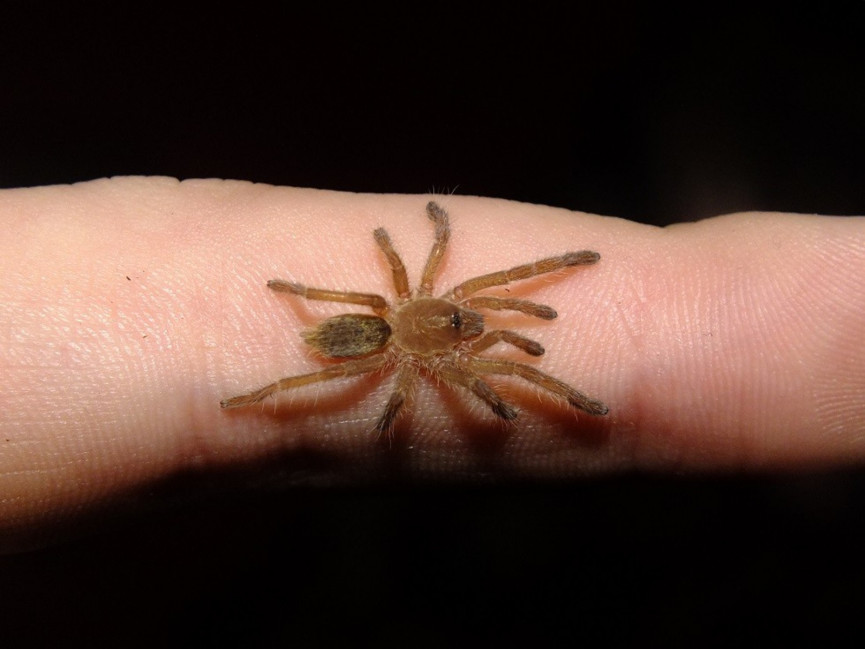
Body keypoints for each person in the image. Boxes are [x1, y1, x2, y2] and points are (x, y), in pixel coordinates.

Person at [1, 176, 863, 553]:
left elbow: (447, 270)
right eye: (459, 321)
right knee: (355, 380)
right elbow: (486, 388)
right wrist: (299, 293)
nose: (462, 321)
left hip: (380, 331)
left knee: (497, 326)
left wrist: (518, 323)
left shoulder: (427, 307)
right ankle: (260, 390)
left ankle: (264, 389)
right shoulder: (420, 341)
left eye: (459, 321)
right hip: (369, 339)